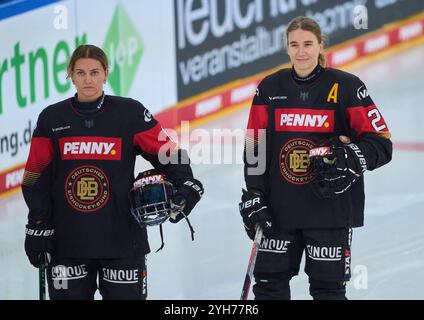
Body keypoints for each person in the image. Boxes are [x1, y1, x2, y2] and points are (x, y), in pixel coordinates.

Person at [22, 44, 203, 300]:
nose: (88, 79)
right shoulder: (51, 119)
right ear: (70, 75)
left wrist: (186, 181)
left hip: (122, 240)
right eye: (81, 72)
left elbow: (167, 152)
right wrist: (38, 223)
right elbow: (34, 177)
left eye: (95, 72)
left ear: (106, 73)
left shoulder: (129, 113)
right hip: (67, 241)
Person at [239, 16, 392, 300]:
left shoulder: (347, 87)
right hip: (278, 212)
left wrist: (353, 155)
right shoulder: (269, 89)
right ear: (286, 48)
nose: (301, 51)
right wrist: (255, 193)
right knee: (269, 287)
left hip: (329, 213)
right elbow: (254, 147)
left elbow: (381, 143)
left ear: (321, 45)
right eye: (294, 44)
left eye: (308, 44)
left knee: (328, 292)